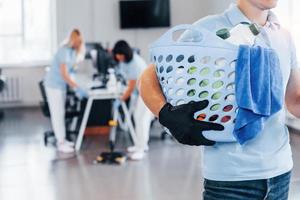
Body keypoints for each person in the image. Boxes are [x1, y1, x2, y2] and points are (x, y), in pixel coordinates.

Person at [139, 0, 299, 199]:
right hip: (229, 181)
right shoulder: (208, 27)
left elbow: (294, 100)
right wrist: (165, 113)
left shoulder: (284, 36)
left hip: (280, 174)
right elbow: (149, 75)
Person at [44, 29, 87, 153]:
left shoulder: (72, 52)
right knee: (57, 114)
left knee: (61, 113)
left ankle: (62, 139)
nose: (78, 44)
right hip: (53, 86)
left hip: (60, 86)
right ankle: (60, 142)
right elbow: (64, 74)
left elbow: (70, 70)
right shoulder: (64, 51)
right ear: (72, 40)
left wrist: (75, 83)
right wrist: (76, 87)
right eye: (76, 41)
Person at [112, 40, 154, 160]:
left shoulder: (135, 63)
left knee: (142, 120)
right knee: (136, 117)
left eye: (118, 54)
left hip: (147, 92)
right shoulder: (125, 62)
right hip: (139, 92)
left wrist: (121, 99)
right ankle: (139, 145)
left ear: (124, 53)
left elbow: (130, 87)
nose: (117, 57)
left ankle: (141, 149)